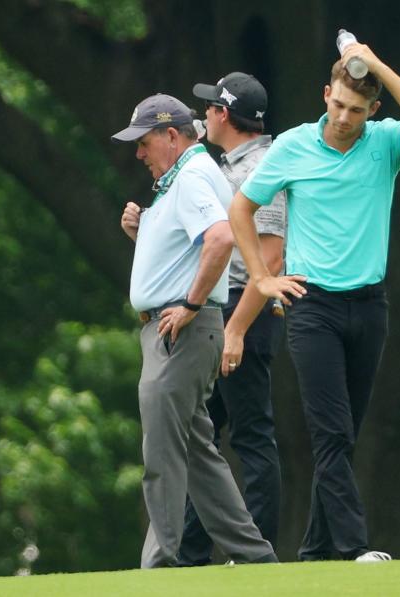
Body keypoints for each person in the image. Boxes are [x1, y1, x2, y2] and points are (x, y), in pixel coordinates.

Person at [228, 43, 400, 562]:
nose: (344, 118)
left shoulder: (385, 144)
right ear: (326, 95)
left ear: (373, 110)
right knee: (330, 432)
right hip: (312, 307)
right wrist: (259, 277)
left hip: (370, 307)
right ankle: (352, 548)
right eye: (338, 104)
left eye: (356, 109)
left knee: (344, 437)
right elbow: (242, 208)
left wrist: (378, 64)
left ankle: (314, 552)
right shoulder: (294, 147)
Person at [113, 93, 277, 568]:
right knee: (199, 457)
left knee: (162, 457)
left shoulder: (191, 175)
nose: (139, 154)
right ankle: (256, 558)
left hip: (179, 329)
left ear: (170, 135)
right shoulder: (180, 180)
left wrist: (190, 303)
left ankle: (159, 568)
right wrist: (141, 231)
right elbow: (184, 249)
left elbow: (221, 237)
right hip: (174, 329)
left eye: (144, 143)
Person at [176, 73, 287, 564]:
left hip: (246, 310)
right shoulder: (224, 166)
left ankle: (255, 553)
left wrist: (236, 329)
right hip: (224, 308)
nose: (203, 116)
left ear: (224, 115)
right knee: (203, 435)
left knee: (250, 434)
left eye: (209, 108)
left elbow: (271, 257)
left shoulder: (264, 167)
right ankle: (190, 551)